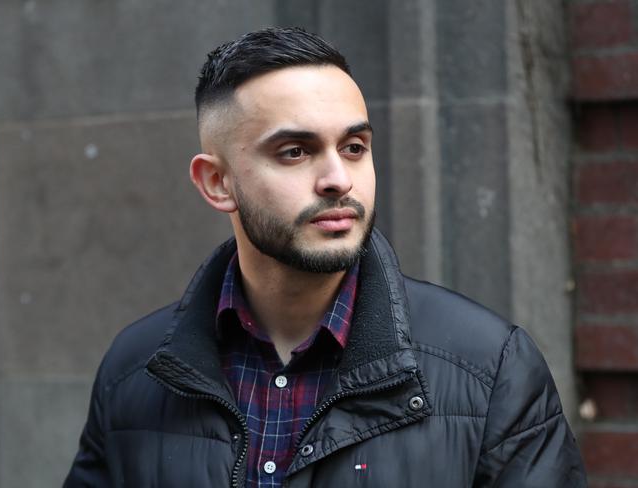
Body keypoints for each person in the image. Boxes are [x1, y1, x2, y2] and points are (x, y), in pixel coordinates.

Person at [65, 27, 587, 487]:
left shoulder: (491, 369)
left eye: (355, 147)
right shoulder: (133, 372)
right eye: (295, 151)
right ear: (217, 182)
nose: (338, 178)